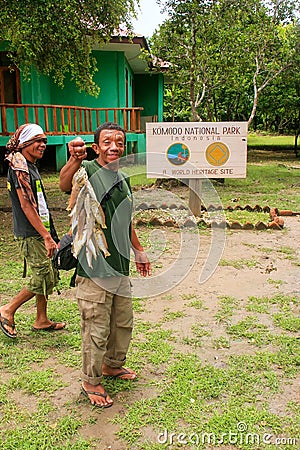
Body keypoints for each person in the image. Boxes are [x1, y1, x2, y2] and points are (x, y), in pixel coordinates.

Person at [59, 122, 151, 408]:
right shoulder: (88, 171)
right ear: (96, 147)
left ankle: (112, 364)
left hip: (120, 267)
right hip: (93, 269)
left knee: (122, 322)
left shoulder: (123, 178)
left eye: (120, 142)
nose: (115, 147)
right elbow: (65, 184)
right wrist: (75, 158)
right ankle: (91, 379)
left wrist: (138, 250)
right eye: (108, 142)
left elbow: (126, 219)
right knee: (96, 328)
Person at [0, 123, 66, 339]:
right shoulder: (19, 168)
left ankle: (41, 319)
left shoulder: (30, 165)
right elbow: (26, 205)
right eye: (38, 140)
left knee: (48, 271)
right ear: (25, 143)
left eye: (45, 141)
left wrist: (48, 231)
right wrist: (46, 236)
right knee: (42, 275)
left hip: (40, 228)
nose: (43, 145)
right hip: (31, 233)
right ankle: (7, 310)